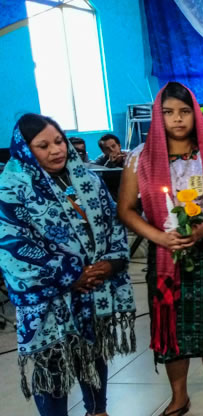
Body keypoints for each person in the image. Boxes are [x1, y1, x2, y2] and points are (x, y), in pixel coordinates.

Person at [0, 114, 136, 416]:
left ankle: (98, 411)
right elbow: (12, 247)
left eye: (59, 141)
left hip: (92, 288)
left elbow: (113, 222)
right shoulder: (10, 189)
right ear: (25, 149)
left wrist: (110, 264)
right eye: (43, 146)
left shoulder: (87, 180)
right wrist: (72, 275)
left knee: (93, 353)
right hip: (49, 300)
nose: (56, 150)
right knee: (53, 366)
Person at [117, 82, 203, 416]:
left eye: (185, 111)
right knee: (172, 329)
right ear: (158, 116)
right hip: (165, 256)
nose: (177, 119)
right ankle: (179, 397)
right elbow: (126, 209)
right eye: (168, 112)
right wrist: (159, 237)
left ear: (195, 114)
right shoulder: (140, 159)